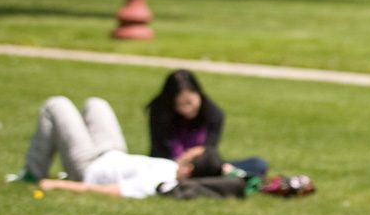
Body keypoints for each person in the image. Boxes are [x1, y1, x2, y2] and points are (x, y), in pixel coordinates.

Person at [15, 96, 215, 198]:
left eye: (190, 154)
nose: (187, 151)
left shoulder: (159, 182)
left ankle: (33, 173)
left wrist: (59, 185)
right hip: (112, 152)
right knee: (96, 104)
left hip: (88, 167)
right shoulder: (172, 168)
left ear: (188, 169)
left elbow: (111, 191)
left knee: (57, 105)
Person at [146, 69, 267, 177]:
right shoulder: (159, 113)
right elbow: (158, 152)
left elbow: (209, 151)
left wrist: (193, 158)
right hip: (169, 167)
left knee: (258, 164)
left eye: (189, 103)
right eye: (178, 105)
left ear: (198, 93)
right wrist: (181, 162)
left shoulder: (214, 114)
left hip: (200, 167)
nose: (185, 109)